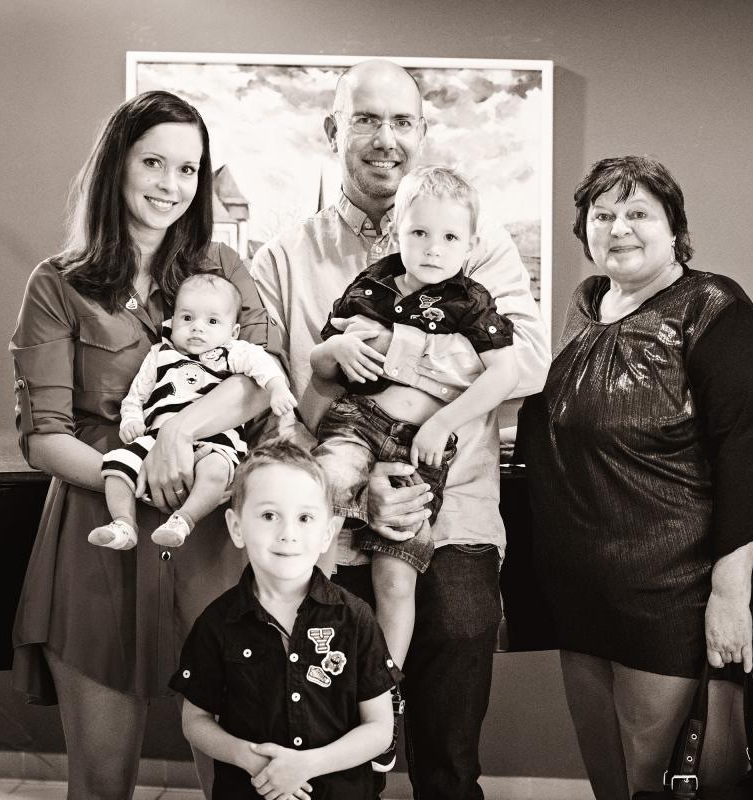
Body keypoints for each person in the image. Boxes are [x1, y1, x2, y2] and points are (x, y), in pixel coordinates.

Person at [250, 59, 549, 798]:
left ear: (422, 132)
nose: (387, 139)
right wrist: (359, 489)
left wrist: (396, 353)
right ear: (333, 130)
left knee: (449, 746)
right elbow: (273, 410)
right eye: (366, 120)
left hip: (453, 517)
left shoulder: (480, 245)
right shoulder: (284, 260)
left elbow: (528, 360)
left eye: (403, 121)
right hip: (325, 528)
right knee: (330, 750)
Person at [9, 90, 275, 797]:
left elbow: (261, 382)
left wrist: (180, 433)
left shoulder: (223, 266)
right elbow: (44, 438)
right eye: (154, 162)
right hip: (100, 534)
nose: (171, 185)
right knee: (101, 781)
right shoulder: (56, 284)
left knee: (239, 773)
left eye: (188, 169)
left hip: (213, 536)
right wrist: (132, 471)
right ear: (117, 165)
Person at [518, 155, 753, 798]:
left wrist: (730, 598)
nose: (619, 228)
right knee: (610, 781)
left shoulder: (714, 309)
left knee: (672, 782)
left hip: (675, 599)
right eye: (602, 215)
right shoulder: (585, 308)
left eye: (638, 213)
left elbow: (748, 458)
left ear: (674, 229)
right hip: (582, 595)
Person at [310, 165, 518, 739]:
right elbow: (322, 363)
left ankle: (386, 684)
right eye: (419, 233)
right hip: (358, 423)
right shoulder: (372, 286)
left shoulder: (472, 302)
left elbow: (507, 372)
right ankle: (311, 612)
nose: (433, 248)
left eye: (450, 237)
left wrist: (444, 421)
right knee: (321, 497)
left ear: (470, 245)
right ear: (395, 231)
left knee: (398, 564)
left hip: (418, 447)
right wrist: (335, 351)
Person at [171, 440, 399, 800]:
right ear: (236, 527)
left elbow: (380, 729)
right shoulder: (216, 623)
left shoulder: (356, 618)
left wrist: (306, 765)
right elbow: (195, 721)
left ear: (327, 532)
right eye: (268, 516)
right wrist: (248, 757)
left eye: (305, 518)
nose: (287, 533)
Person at [91, 273, 294, 550]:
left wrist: (277, 387)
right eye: (187, 318)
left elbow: (263, 366)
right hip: (155, 441)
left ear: (233, 331)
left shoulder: (232, 351)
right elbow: (135, 395)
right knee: (116, 466)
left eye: (212, 321)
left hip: (216, 440)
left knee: (216, 471)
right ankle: (123, 524)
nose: (197, 328)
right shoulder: (159, 354)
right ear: (172, 321)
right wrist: (131, 420)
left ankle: (183, 520)